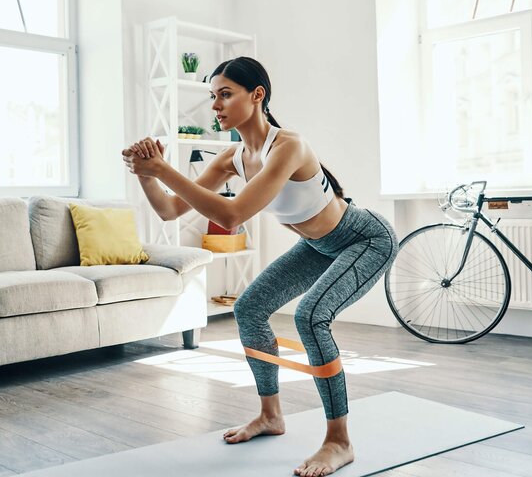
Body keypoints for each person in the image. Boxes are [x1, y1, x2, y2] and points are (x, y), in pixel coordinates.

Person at [122, 56, 398, 477]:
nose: (215, 105)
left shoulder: (289, 146)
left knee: (311, 317)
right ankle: (271, 416)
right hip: (317, 245)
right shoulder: (232, 156)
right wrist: (146, 174)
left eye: (225, 94)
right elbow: (169, 210)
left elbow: (232, 216)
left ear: (257, 96)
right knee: (249, 308)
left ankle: (339, 442)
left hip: (366, 239)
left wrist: (163, 168)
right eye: (212, 96)